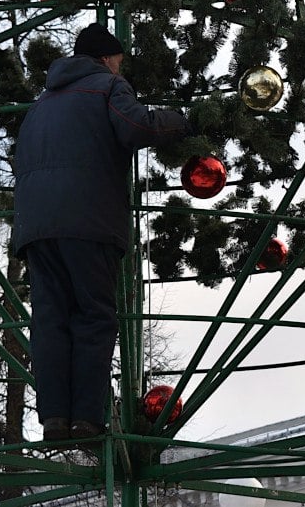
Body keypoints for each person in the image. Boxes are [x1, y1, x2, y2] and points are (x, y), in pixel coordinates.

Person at [12, 22, 191, 443]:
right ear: (108, 59)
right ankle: (88, 419)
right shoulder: (107, 86)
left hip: (36, 228)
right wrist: (183, 120)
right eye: (119, 62)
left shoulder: (40, 104)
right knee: (94, 317)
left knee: (51, 320)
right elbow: (137, 128)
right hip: (88, 221)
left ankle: (54, 417)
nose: (120, 69)